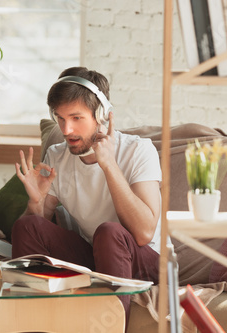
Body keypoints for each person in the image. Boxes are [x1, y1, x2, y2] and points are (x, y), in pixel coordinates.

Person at [11, 66, 163, 327]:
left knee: (109, 233)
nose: (66, 129)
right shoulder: (58, 156)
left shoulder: (139, 150)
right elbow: (38, 231)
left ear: (102, 116)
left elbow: (144, 232)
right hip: (96, 256)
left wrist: (109, 165)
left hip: (144, 261)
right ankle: (33, 325)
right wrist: (36, 201)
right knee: (26, 225)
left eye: (76, 118)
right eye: (59, 118)